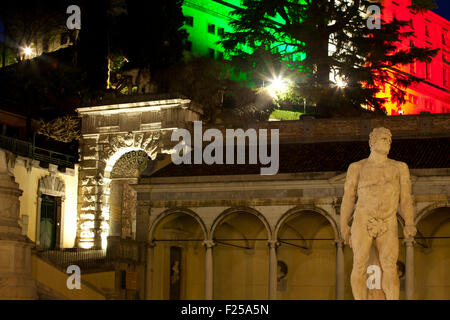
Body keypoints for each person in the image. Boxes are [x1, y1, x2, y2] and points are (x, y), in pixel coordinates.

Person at [340, 127, 417, 300]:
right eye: (384, 139)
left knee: (390, 266)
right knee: (359, 263)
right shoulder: (357, 167)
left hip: (388, 219)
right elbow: (348, 197)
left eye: (389, 140)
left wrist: (409, 222)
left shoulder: (399, 167)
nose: (388, 142)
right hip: (363, 218)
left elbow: (405, 198)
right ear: (372, 142)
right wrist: (344, 224)